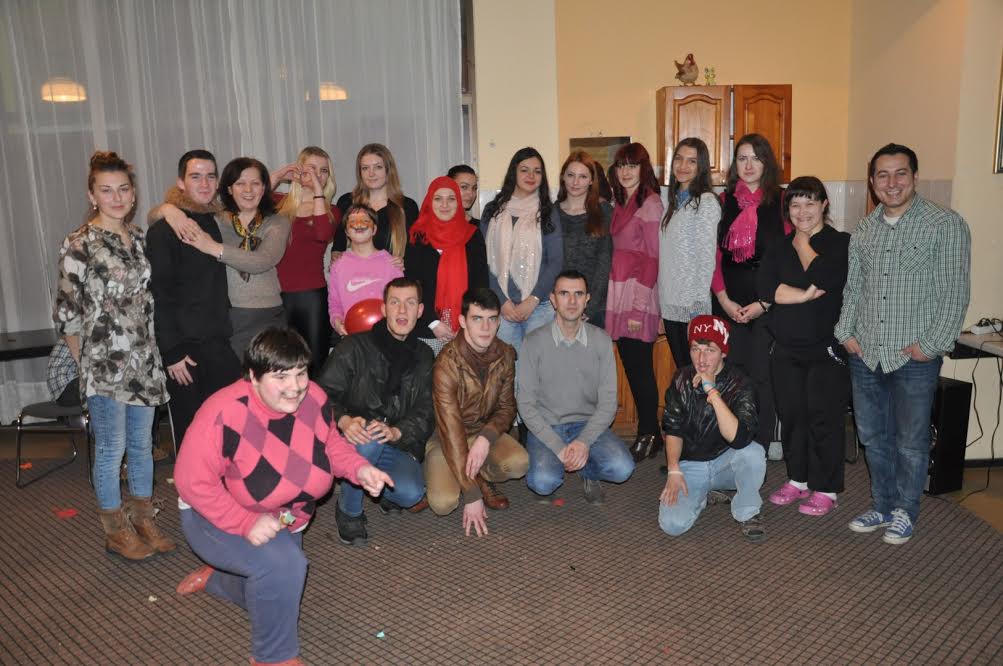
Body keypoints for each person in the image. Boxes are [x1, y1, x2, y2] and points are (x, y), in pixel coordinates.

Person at [174, 327, 393, 666]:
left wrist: (359, 469)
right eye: (280, 377)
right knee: (284, 567)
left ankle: (220, 580)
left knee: (277, 585)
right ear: (253, 376)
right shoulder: (223, 412)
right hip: (213, 517)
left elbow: (330, 445)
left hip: (286, 515)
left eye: (300, 373)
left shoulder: (314, 397)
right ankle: (273, 659)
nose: (295, 387)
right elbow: (192, 482)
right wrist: (244, 522)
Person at [837, 144, 971, 544]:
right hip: (866, 353)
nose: (891, 183)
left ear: (914, 177)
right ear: (872, 181)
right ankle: (882, 504)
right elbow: (854, 288)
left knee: (911, 442)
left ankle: (904, 511)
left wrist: (931, 344)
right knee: (872, 436)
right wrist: (846, 332)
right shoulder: (865, 228)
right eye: (882, 175)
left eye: (900, 174)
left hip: (914, 357)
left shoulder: (944, 224)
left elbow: (954, 293)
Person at [55, 151, 173, 561]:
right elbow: (67, 314)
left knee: (142, 445)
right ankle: (115, 531)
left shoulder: (138, 238)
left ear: (133, 193)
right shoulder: (79, 243)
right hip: (104, 365)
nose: (117, 197)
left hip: (143, 361)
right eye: (106, 190)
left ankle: (142, 520)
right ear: (92, 195)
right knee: (111, 447)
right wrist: (85, 367)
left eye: (123, 189)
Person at [316, 277, 434, 546]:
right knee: (369, 437)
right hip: (353, 439)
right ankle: (349, 511)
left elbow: (427, 409)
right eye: (394, 302)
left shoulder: (424, 355)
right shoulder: (353, 347)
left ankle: (381, 488)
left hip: (395, 443)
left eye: (410, 303)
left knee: (411, 494)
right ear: (383, 309)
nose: (402, 311)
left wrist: (397, 432)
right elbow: (319, 396)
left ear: (420, 310)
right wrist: (344, 420)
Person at [758, 176, 850, 516]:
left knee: (823, 418)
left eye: (810, 203)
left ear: (824, 204)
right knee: (792, 416)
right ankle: (798, 479)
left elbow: (826, 277)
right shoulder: (777, 246)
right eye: (795, 205)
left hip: (825, 348)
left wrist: (802, 243)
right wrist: (804, 295)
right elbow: (766, 289)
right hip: (785, 347)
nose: (802, 211)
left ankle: (825, 487)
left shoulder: (840, 242)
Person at [146, 150, 242, 446]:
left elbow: (256, 194)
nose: (204, 183)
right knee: (193, 435)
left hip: (218, 341)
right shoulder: (165, 230)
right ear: (181, 182)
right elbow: (159, 293)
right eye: (195, 176)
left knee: (230, 428)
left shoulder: (218, 221)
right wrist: (171, 352)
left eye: (210, 176)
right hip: (184, 350)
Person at [517, 271, 635, 504]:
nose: (572, 301)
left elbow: (608, 403)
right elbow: (526, 405)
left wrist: (584, 442)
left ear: (587, 299)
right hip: (548, 424)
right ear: (553, 299)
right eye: (564, 294)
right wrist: (558, 447)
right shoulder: (533, 342)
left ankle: (587, 471)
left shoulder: (601, 340)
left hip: (587, 424)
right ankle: (564, 463)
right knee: (543, 483)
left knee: (622, 468)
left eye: (578, 294)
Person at [426, 288, 528, 536]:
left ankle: (476, 474)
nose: (485, 327)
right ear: (462, 321)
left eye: (492, 319)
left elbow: (507, 407)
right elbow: (451, 430)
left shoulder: (505, 354)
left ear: (499, 322)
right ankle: (450, 476)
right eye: (477, 318)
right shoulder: (446, 364)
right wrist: (472, 496)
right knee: (443, 503)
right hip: (445, 438)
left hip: (482, 432)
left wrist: (486, 437)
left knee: (519, 463)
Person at [711, 133, 788, 458]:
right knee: (731, 375)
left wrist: (763, 304)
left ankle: (760, 445)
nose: (749, 165)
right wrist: (724, 300)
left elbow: (788, 258)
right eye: (742, 158)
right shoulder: (723, 201)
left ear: (766, 163)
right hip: (728, 303)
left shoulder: (782, 202)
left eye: (756, 158)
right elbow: (715, 258)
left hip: (769, 305)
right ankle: (733, 443)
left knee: (761, 377)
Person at [658, 315, 766, 542]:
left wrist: (713, 393)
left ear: (723, 352)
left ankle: (748, 511)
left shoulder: (740, 383)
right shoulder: (681, 379)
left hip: (727, 463)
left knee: (753, 453)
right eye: (695, 349)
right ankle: (702, 496)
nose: (701, 358)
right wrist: (674, 469)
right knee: (672, 525)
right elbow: (673, 428)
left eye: (710, 350)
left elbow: (739, 439)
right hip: (691, 465)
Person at [606, 142, 663, 462]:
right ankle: (651, 433)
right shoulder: (620, 201)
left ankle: (649, 433)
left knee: (641, 370)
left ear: (644, 169)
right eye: (621, 165)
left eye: (632, 165)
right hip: (619, 293)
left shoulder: (651, 203)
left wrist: (637, 309)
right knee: (632, 366)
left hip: (638, 297)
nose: (626, 171)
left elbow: (653, 259)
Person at [481, 147, 563, 353]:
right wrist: (502, 301)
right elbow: (484, 260)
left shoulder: (548, 212)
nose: (531, 176)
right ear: (514, 172)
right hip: (502, 307)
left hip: (539, 307)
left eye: (537, 171)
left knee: (537, 368)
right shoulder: (493, 210)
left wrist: (533, 299)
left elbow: (556, 261)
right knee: (506, 368)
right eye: (524, 170)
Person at [271, 146, 340, 374]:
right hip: (275, 295)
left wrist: (318, 191)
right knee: (279, 364)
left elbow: (322, 234)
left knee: (313, 364)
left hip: (311, 297)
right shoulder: (279, 203)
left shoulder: (332, 211)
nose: (317, 174)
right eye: (311, 168)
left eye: (323, 171)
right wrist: (280, 175)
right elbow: (248, 196)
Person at [404, 176, 489, 355]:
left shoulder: (472, 235)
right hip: (426, 329)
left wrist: (468, 322)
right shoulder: (417, 236)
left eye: (451, 199)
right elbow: (412, 285)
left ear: (458, 203)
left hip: (466, 330)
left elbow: (480, 285)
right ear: (429, 202)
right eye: (438, 199)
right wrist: (433, 323)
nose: (445, 205)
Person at [658, 138, 721, 371]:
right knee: (685, 374)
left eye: (692, 161)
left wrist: (697, 312)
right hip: (671, 305)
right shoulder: (673, 203)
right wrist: (662, 309)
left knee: (697, 374)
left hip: (692, 308)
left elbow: (706, 260)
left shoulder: (706, 202)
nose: (683, 166)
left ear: (701, 167)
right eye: (679, 158)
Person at [331, 143, 419, 260]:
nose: (371, 174)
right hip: (356, 271)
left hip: (393, 272)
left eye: (378, 167)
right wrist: (336, 256)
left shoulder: (407, 206)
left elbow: (416, 253)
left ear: (389, 170)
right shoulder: (346, 202)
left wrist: (405, 263)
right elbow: (338, 247)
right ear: (360, 172)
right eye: (365, 168)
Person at [328, 205, 403, 338]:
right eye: (353, 221)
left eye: (365, 220)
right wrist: (337, 321)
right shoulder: (338, 266)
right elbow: (334, 302)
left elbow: (400, 300)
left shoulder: (391, 264)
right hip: (352, 337)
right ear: (346, 231)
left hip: (386, 336)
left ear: (374, 229)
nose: (359, 224)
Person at [556, 150, 612, 329]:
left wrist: (589, 307)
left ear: (591, 181)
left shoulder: (604, 212)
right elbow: (547, 263)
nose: (575, 182)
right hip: (559, 306)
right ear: (562, 177)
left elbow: (605, 262)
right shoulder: (551, 213)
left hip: (594, 308)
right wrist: (558, 303)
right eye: (570, 175)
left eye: (582, 176)